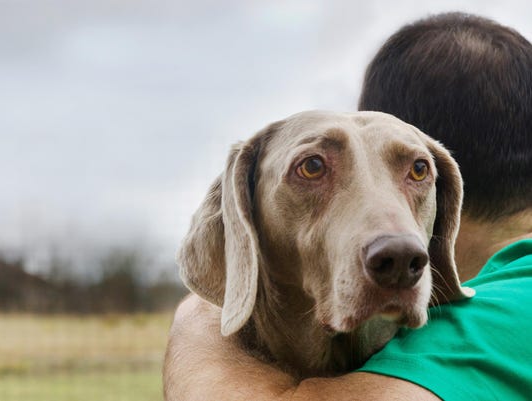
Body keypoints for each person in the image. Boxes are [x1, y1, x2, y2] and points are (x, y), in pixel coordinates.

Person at [163, 12, 532, 401]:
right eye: (312, 167)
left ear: (448, 196)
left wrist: (196, 323)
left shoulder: (500, 318)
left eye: (416, 170)